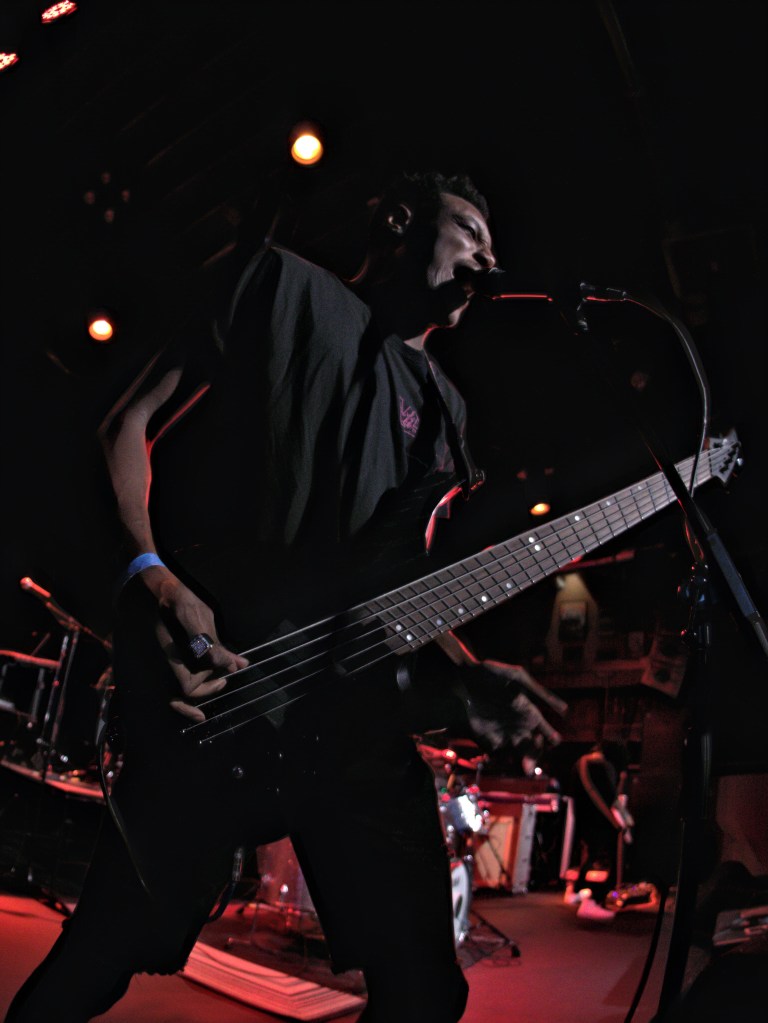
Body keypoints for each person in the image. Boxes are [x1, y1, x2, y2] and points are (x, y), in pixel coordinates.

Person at [6, 170, 546, 1023]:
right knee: (101, 955)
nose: (488, 256)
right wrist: (148, 572)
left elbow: (397, 585)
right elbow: (124, 423)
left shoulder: (447, 412)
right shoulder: (278, 283)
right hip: (224, 682)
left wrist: (464, 672)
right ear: (400, 219)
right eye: (470, 232)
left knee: (424, 990)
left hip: (349, 720)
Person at [565, 741, 632, 922]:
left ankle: (578, 890)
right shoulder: (600, 766)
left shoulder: (580, 763)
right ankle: (596, 901)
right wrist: (623, 821)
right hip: (601, 820)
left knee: (590, 854)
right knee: (606, 857)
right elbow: (610, 797)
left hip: (583, 818)